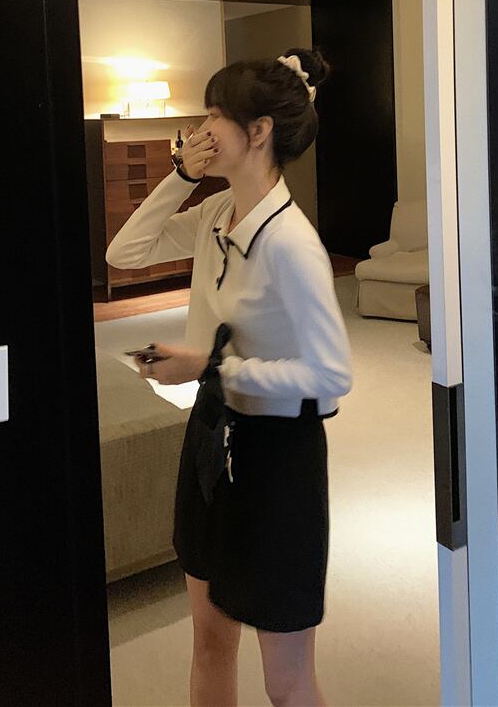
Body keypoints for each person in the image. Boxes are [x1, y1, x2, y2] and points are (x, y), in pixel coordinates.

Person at [105, 47, 353, 707]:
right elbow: (124, 252)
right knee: (211, 642)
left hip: (278, 460)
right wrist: (181, 174)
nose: (202, 127)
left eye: (215, 114)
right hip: (211, 440)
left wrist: (211, 366)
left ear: (259, 130)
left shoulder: (292, 242)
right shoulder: (218, 214)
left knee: (286, 680)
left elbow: (332, 374)